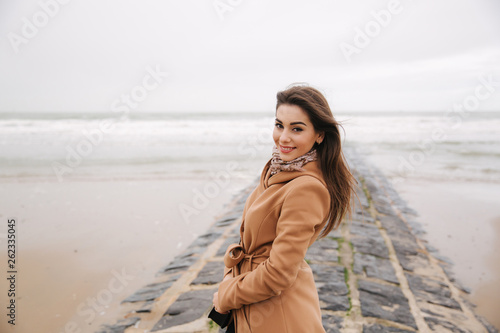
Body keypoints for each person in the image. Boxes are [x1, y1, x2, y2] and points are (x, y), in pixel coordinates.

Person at [212, 84, 357, 332]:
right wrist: (229, 276)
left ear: (319, 135)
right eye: (279, 125)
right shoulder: (276, 169)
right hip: (247, 300)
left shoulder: (306, 189)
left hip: (276, 315)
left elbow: (279, 273)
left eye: (297, 128)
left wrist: (226, 296)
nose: (284, 137)